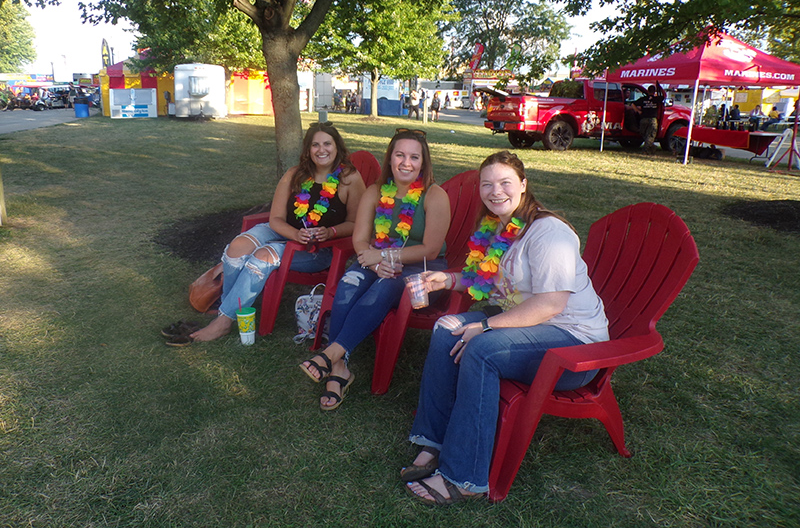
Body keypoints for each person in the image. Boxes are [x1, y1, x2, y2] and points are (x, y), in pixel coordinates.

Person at [402, 150, 609, 505]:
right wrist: (446, 279)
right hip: (527, 328)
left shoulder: (549, 234)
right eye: (487, 184)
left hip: (573, 343)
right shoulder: (500, 227)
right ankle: (433, 440)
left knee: (482, 351)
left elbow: (550, 304)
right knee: (445, 327)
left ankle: (464, 477)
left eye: (505, 183)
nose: (495, 191)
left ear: (524, 185)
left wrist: (485, 326)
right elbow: (486, 280)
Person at [299, 128, 451, 410]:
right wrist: (374, 258)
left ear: (423, 162)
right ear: (390, 158)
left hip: (422, 268)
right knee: (348, 283)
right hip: (376, 258)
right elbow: (359, 238)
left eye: (414, 157)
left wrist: (384, 257)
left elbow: (430, 248)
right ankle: (339, 369)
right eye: (400, 155)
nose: (406, 163)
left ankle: (331, 356)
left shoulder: (435, 195)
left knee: (386, 287)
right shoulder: (375, 191)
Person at [178, 122, 366, 344]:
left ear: (337, 147)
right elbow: (275, 219)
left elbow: (357, 223)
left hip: (318, 249)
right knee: (237, 246)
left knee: (263, 256)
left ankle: (223, 321)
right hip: (286, 232)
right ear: (308, 149)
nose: (321, 150)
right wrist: (294, 235)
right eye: (315, 144)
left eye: (327, 144)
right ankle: (231, 307)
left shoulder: (349, 178)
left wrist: (331, 231)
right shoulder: (294, 175)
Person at [632, 83, 665, 155]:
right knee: (651, 135)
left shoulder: (643, 99)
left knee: (643, 134)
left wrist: (638, 111)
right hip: (652, 120)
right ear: (654, 92)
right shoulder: (657, 99)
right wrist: (660, 88)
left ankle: (650, 147)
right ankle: (646, 150)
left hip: (643, 119)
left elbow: (633, 104)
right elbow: (664, 96)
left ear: (647, 91)